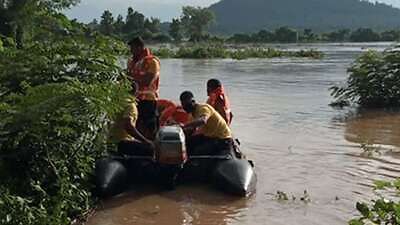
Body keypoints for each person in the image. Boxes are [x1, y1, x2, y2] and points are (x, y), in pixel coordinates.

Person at [180, 91, 234, 156]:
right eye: (183, 105)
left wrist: (185, 125)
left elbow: (203, 120)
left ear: (193, 101)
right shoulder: (192, 115)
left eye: (187, 104)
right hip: (210, 136)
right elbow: (191, 130)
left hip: (222, 139)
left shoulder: (203, 108)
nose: (185, 107)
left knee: (198, 151)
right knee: (188, 143)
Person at [127, 36, 161, 139]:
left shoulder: (152, 62)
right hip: (134, 99)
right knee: (136, 127)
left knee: (149, 129)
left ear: (140, 47)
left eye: (132, 48)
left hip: (148, 100)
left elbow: (148, 82)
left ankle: (152, 149)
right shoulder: (131, 62)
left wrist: (131, 78)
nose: (131, 51)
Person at [109, 87, 155, 157]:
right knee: (151, 149)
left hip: (111, 141)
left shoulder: (116, 102)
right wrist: (145, 141)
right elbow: (128, 126)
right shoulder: (131, 106)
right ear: (136, 93)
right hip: (122, 143)